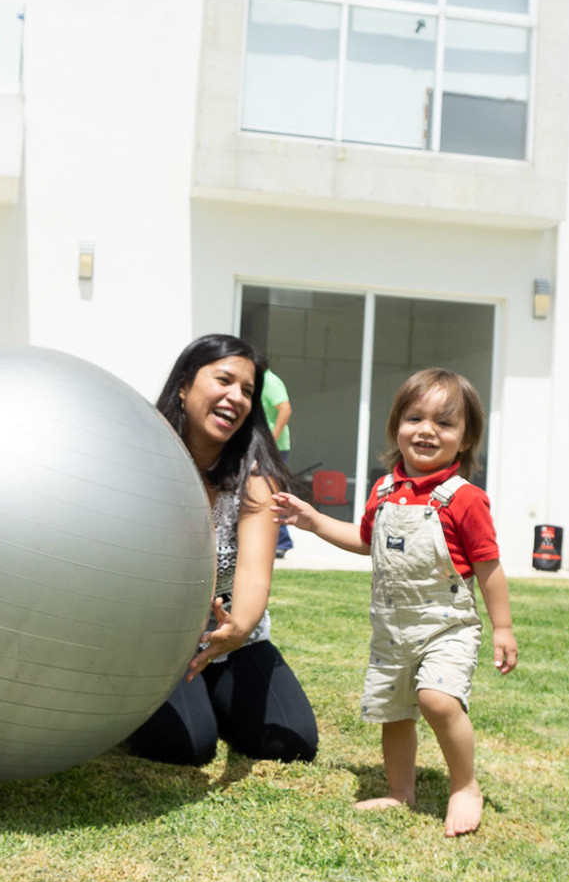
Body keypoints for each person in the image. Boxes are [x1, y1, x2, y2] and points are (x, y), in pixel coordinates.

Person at [273, 368, 517, 836]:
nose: (427, 430)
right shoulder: (384, 490)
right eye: (414, 418)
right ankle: (400, 791)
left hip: (446, 626)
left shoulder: (465, 500)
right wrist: (314, 521)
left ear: (466, 439)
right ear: (396, 426)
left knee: (437, 700)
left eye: (444, 423)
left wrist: (502, 628)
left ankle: (465, 786)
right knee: (394, 710)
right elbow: (367, 541)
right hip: (392, 628)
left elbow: (489, 566)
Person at [125, 334, 320, 767]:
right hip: (155, 640)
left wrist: (237, 629)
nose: (236, 397)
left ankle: (211, 693)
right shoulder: (141, 464)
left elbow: (252, 575)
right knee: (185, 747)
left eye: (247, 391)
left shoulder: (257, 479)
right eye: (224, 380)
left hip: (231, 638)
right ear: (184, 385)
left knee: (288, 743)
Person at [261, 368, 294, 558]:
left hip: (274, 448)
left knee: (273, 493)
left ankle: (282, 542)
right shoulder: (255, 380)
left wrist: (271, 440)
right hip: (260, 446)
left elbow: (285, 409)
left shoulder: (269, 381)